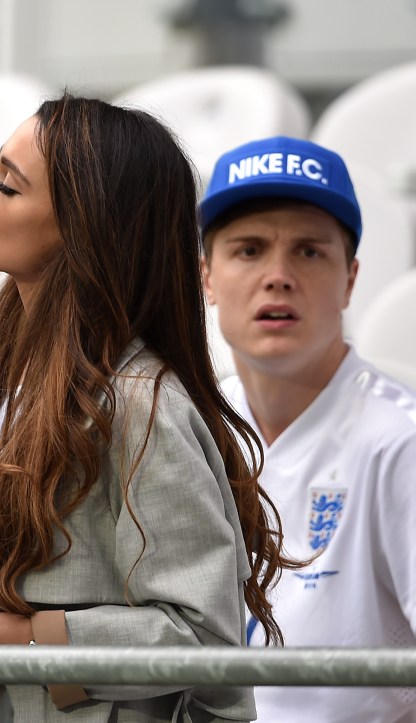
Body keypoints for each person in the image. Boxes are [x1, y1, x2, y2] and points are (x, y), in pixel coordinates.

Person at [0, 94, 296, 722]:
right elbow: (81, 584)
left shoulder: (139, 402)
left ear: (83, 232)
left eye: (10, 186)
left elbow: (204, 640)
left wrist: (5, 633)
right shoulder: (19, 382)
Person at [199, 136, 416, 723]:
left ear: (350, 279)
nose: (278, 276)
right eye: (248, 250)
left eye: (309, 252)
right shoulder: (188, 428)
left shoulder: (400, 442)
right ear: (207, 278)